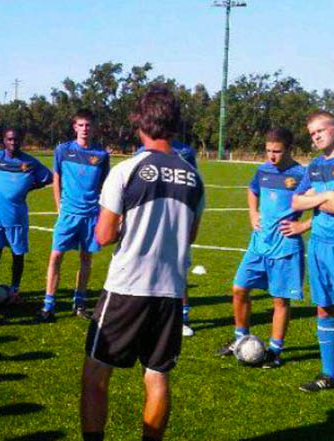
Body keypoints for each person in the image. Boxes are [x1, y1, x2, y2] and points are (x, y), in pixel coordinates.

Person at [80, 85, 204, 441]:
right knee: (157, 375)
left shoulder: (126, 170)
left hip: (127, 287)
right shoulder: (194, 178)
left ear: (140, 123)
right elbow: (190, 235)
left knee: (96, 373)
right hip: (170, 292)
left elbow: (103, 236)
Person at [216, 128, 308, 368]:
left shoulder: (302, 174)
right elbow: (252, 190)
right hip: (259, 243)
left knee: (280, 301)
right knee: (239, 289)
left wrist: (304, 225)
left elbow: (324, 202)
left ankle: (275, 350)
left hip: (285, 247)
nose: (271, 156)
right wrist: (253, 212)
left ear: (289, 149)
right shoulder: (263, 170)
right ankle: (240, 338)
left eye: (277, 151)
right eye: (268, 150)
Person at [40, 109, 110, 322]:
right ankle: (48, 305)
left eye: (88, 125)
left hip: (91, 215)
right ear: (75, 127)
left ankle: (79, 303)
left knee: (86, 258)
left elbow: (105, 186)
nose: (85, 129)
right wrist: (58, 208)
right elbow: (56, 180)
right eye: (81, 125)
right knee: (56, 256)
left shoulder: (101, 155)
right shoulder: (62, 150)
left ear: (93, 128)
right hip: (68, 214)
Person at [0, 127, 52, 304]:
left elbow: (48, 178)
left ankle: (15, 291)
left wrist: (29, 187)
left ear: (21, 140)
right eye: (9, 139)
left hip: (17, 218)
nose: (13, 143)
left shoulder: (30, 162)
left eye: (16, 139)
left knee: (18, 255)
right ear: (3, 140)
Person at [292, 110, 334, 391]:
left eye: (320, 130)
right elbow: (295, 201)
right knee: (324, 308)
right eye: (312, 134)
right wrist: (326, 197)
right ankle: (329, 374)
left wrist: (313, 200)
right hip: (318, 245)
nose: (316, 136)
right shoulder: (314, 166)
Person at [137, 139, 197, 336]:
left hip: (175, 220)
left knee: (178, 271)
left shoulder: (185, 151)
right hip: (149, 220)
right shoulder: (141, 152)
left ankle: (183, 318)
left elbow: (193, 186)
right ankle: (146, 316)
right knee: (145, 269)